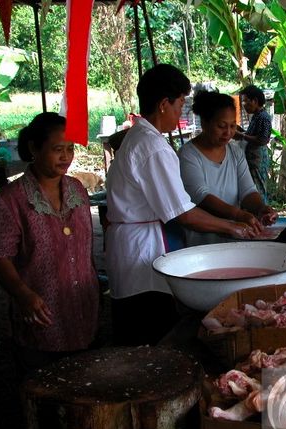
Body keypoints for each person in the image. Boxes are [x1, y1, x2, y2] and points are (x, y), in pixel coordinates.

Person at [105, 64, 256, 346]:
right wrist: (233, 227)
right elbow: (183, 212)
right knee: (148, 332)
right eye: (180, 104)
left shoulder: (140, 136)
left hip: (135, 241)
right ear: (164, 104)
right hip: (141, 249)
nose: (181, 111)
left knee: (140, 330)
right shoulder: (153, 146)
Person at [0, 112, 99, 374]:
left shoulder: (77, 190)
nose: (66, 157)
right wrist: (23, 294)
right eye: (58, 149)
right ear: (34, 148)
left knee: (87, 389)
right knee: (46, 390)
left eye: (70, 149)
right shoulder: (10, 201)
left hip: (83, 308)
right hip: (42, 315)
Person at [178, 90, 278, 246]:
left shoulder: (235, 152)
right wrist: (239, 215)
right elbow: (202, 196)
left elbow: (248, 190)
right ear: (205, 123)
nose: (228, 132)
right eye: (221, 126)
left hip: (235, 240)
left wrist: (261, 208)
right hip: (202, 244)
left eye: (232, 126)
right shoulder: (188, 155)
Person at [233, 85, 273, 200]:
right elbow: (254, 135)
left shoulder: (263, 117)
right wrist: (241, 131)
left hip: (257, 158)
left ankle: (264, 212)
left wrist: (241, 135)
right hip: (253, 158)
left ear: (255, 101)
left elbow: (262, 139)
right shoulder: (257, 116)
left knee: (258, 188)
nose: (244, 104)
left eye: (245, 101)